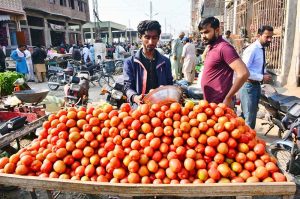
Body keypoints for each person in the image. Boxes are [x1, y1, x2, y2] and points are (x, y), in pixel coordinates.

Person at [198, 17, 249, 106]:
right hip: (210, 104)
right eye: (201, 33)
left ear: (217, 30)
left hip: (221, 104)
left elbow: (243, 73)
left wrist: (228, 97)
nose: (203, 36)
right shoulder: (211, 46)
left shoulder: (224, 48)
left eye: (206, 32)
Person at [123, 20, 173, 105]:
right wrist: (135, 97)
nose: (151, 42)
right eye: (147, 37)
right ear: (140, 37)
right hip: (140, 108)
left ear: (158, 38)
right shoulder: (130, 62)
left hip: (161, 108)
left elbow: (170, 83)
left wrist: (165, 89)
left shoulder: (165, 62)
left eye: (154, 38)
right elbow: (127, 87)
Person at [239, 26, 273, 129]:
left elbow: (256, 67)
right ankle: (247, 142)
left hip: (255, 85)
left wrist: (264, 74)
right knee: (249, 118)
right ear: (259, 35)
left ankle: (244, 139)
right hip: (248, 86)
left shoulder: (261, 49)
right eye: (267, 37)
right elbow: (244, 70)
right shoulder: (252, 49)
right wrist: (261, 77)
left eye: (271, 37)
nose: (270, 40)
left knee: (250, 114)